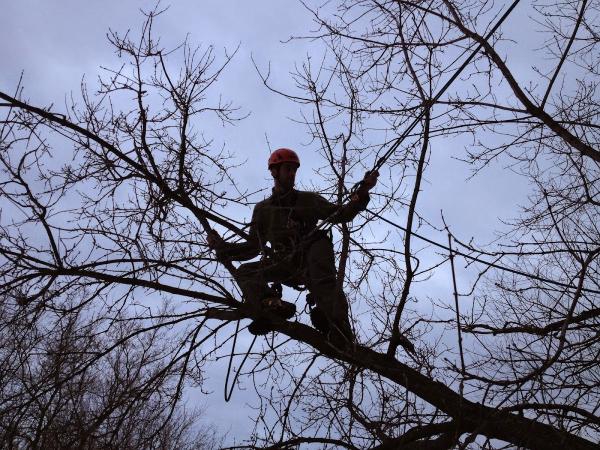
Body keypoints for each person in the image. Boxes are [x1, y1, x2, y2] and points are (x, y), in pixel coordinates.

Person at [207, 148, 378, 343]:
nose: (292, 174)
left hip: (312, 256)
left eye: (294, 170)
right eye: (288, 169)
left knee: (321, 256)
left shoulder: (309, 200)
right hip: (284, 262)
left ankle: (337, 326)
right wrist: (222, 247)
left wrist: (363, 191)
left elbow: (341, 214)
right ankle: (272, 305)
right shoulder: (263, 210)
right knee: (246, 272)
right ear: (274, 172)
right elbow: (253, 247)